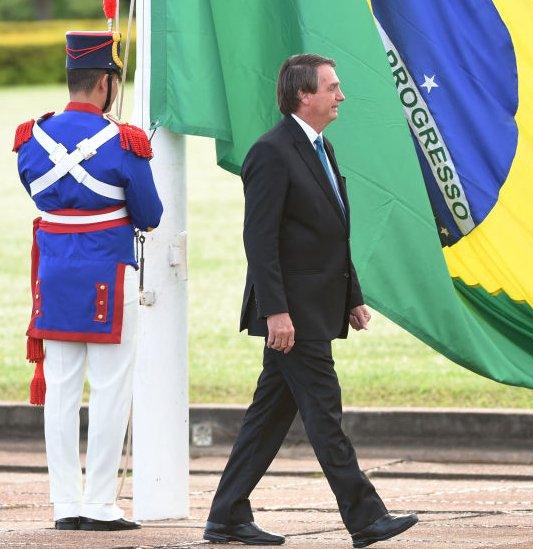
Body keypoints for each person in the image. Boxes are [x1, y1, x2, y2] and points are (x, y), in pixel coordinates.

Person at [203, 54, 418, 547]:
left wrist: (352, 295)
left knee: (269, 416)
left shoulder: (320, 147)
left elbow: (330, 232)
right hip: (292, 315)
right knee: (324, 412)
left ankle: (227, 515)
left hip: (314, 306)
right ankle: (365, 518)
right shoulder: (271, 153)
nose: (341, 95)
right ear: (305, 95)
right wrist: (275, 311)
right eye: (333, 87)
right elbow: (260, 240)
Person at [13, 30, 163, 530]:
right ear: (106, 83)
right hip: (107, 273)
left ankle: (64, 504)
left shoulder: (30, 139)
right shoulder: (125, 141)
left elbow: (37, 193)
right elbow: (150, 213)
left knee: (59, 392)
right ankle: (99, 503)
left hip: (53, 275)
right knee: (110, 389)